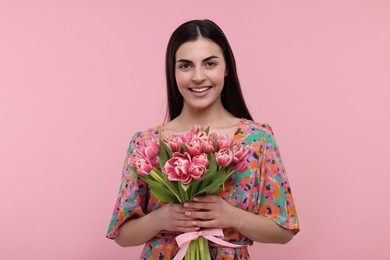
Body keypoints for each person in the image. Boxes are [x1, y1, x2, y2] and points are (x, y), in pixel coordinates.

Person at [106, 19, 300, 259]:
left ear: (227, 67)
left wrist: (232, 216)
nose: (198, 77)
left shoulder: (257, 139)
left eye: (210, 64)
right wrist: (161, 218)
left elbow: (284, 230)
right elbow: (122, 235)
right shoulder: (146, 143)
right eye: (185, 66)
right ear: (173, 72)